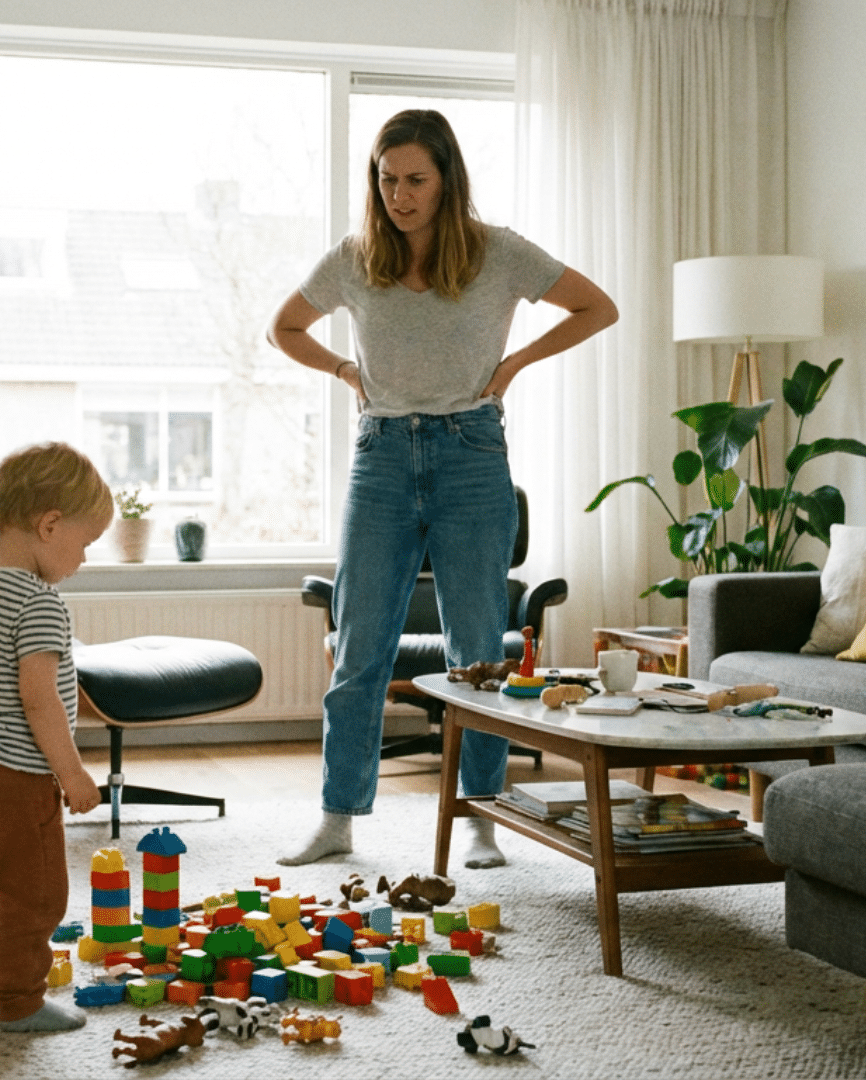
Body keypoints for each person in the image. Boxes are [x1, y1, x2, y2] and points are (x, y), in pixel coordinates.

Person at [267, 109, 618, 869]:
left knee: (477, 650)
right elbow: (284, 328)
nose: (399, 195)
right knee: (360, 647)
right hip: (383, 455)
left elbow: (599, 307)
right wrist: (342, 370)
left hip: (471, 452)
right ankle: (337, 819)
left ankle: (481, 819)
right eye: (387, 179)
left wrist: (516, 363)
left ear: (447, 179)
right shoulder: (355, 258)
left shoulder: (500, 253)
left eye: (415, 180)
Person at [0, 441, 111, 1032]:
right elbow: (40, 700)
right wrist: (72, 773)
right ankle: (21, 1002)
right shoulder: (41, 603)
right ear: (50, 525)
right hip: (17, 784)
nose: (83, 559)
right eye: (85, 544)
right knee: (33, 898)